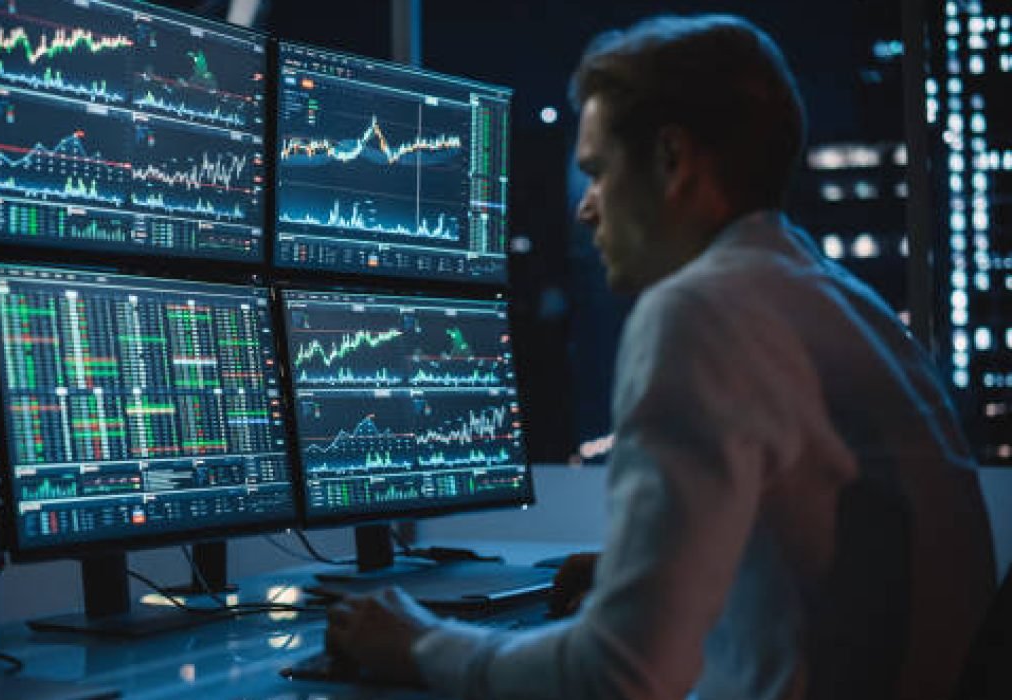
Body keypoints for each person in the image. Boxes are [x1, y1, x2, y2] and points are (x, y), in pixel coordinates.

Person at [323, 14, 998, 700]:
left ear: (671, 159)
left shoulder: (701, 310)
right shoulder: (840, 303)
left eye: (596, 171)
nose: (586, 208)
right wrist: (653, 574)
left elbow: (621, 675)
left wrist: (423, 647)